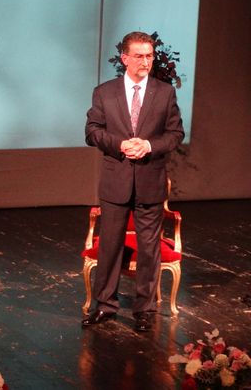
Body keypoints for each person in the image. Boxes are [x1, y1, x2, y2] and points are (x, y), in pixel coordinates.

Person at [82, 31, 184, 332]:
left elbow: (175, 134)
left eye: (149, 56)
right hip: (116, 180)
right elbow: (92, 132)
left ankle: (145, 309)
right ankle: (105, 305)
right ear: (125, 58)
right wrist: (120, 144)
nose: (145, 61)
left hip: (150, 180)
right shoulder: (105, 92)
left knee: (149, 249)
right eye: (139, 56)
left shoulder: (164, 92)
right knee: (110, 246)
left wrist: (149, 145)